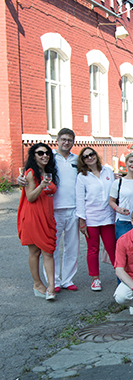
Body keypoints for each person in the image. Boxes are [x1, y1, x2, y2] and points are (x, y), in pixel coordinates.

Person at [18, 143, 58, 300]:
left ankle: (51, 287)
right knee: (35, 252)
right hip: (33, 216)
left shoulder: (49, 172)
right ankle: (38, 284)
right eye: (40, 153)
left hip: (47, 216)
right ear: (33, 156)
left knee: (49, 251)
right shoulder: (30, 173)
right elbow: (30, 197)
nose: (44, 155)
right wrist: (41, 185)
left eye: (47, 153)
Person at [43, 128, 80, 291]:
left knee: (72, 246)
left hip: (73, 208)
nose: (66, 142)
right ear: (57, 140)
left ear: (73, 142)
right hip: (53, 208)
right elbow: (33, 170)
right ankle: (54, 281)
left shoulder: (77, 159)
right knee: (52, 246)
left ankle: (67, 279)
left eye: (69, 140)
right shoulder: (49, 157)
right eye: (63, 139)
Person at [76, 147, 116, 292]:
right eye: (86, 156)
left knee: (112, 247)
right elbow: (80, 199)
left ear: (96, 155)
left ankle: (121, 275)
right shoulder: (82, 176)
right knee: (93, 249)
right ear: (83, 160)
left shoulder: (108, 171)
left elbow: (114, 191)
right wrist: (82, 220)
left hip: (108, 217)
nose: (89, 158)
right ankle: (95, 279)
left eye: (91, 154)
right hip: (91, 218)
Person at [110, 152, 133, 240]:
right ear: (126, 163)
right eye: (131, 161)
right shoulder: (118, 182)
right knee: (124, 250)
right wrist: (118, 209)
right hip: (124, 221)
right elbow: (111, 201)